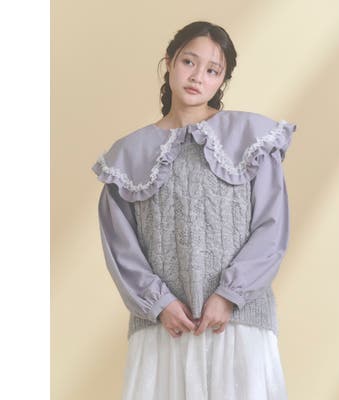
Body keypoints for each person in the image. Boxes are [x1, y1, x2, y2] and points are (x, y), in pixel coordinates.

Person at [92, 20, 297, 400]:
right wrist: (159, 303)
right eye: (189, 61)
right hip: (164, 327)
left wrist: (229, 294)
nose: (197, 76)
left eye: (213, 70)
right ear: (169, 61)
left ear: (222, 81)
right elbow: (120, 246)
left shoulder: (253, 138)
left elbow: (272, 227)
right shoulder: (127, 156)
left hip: (239, 321)